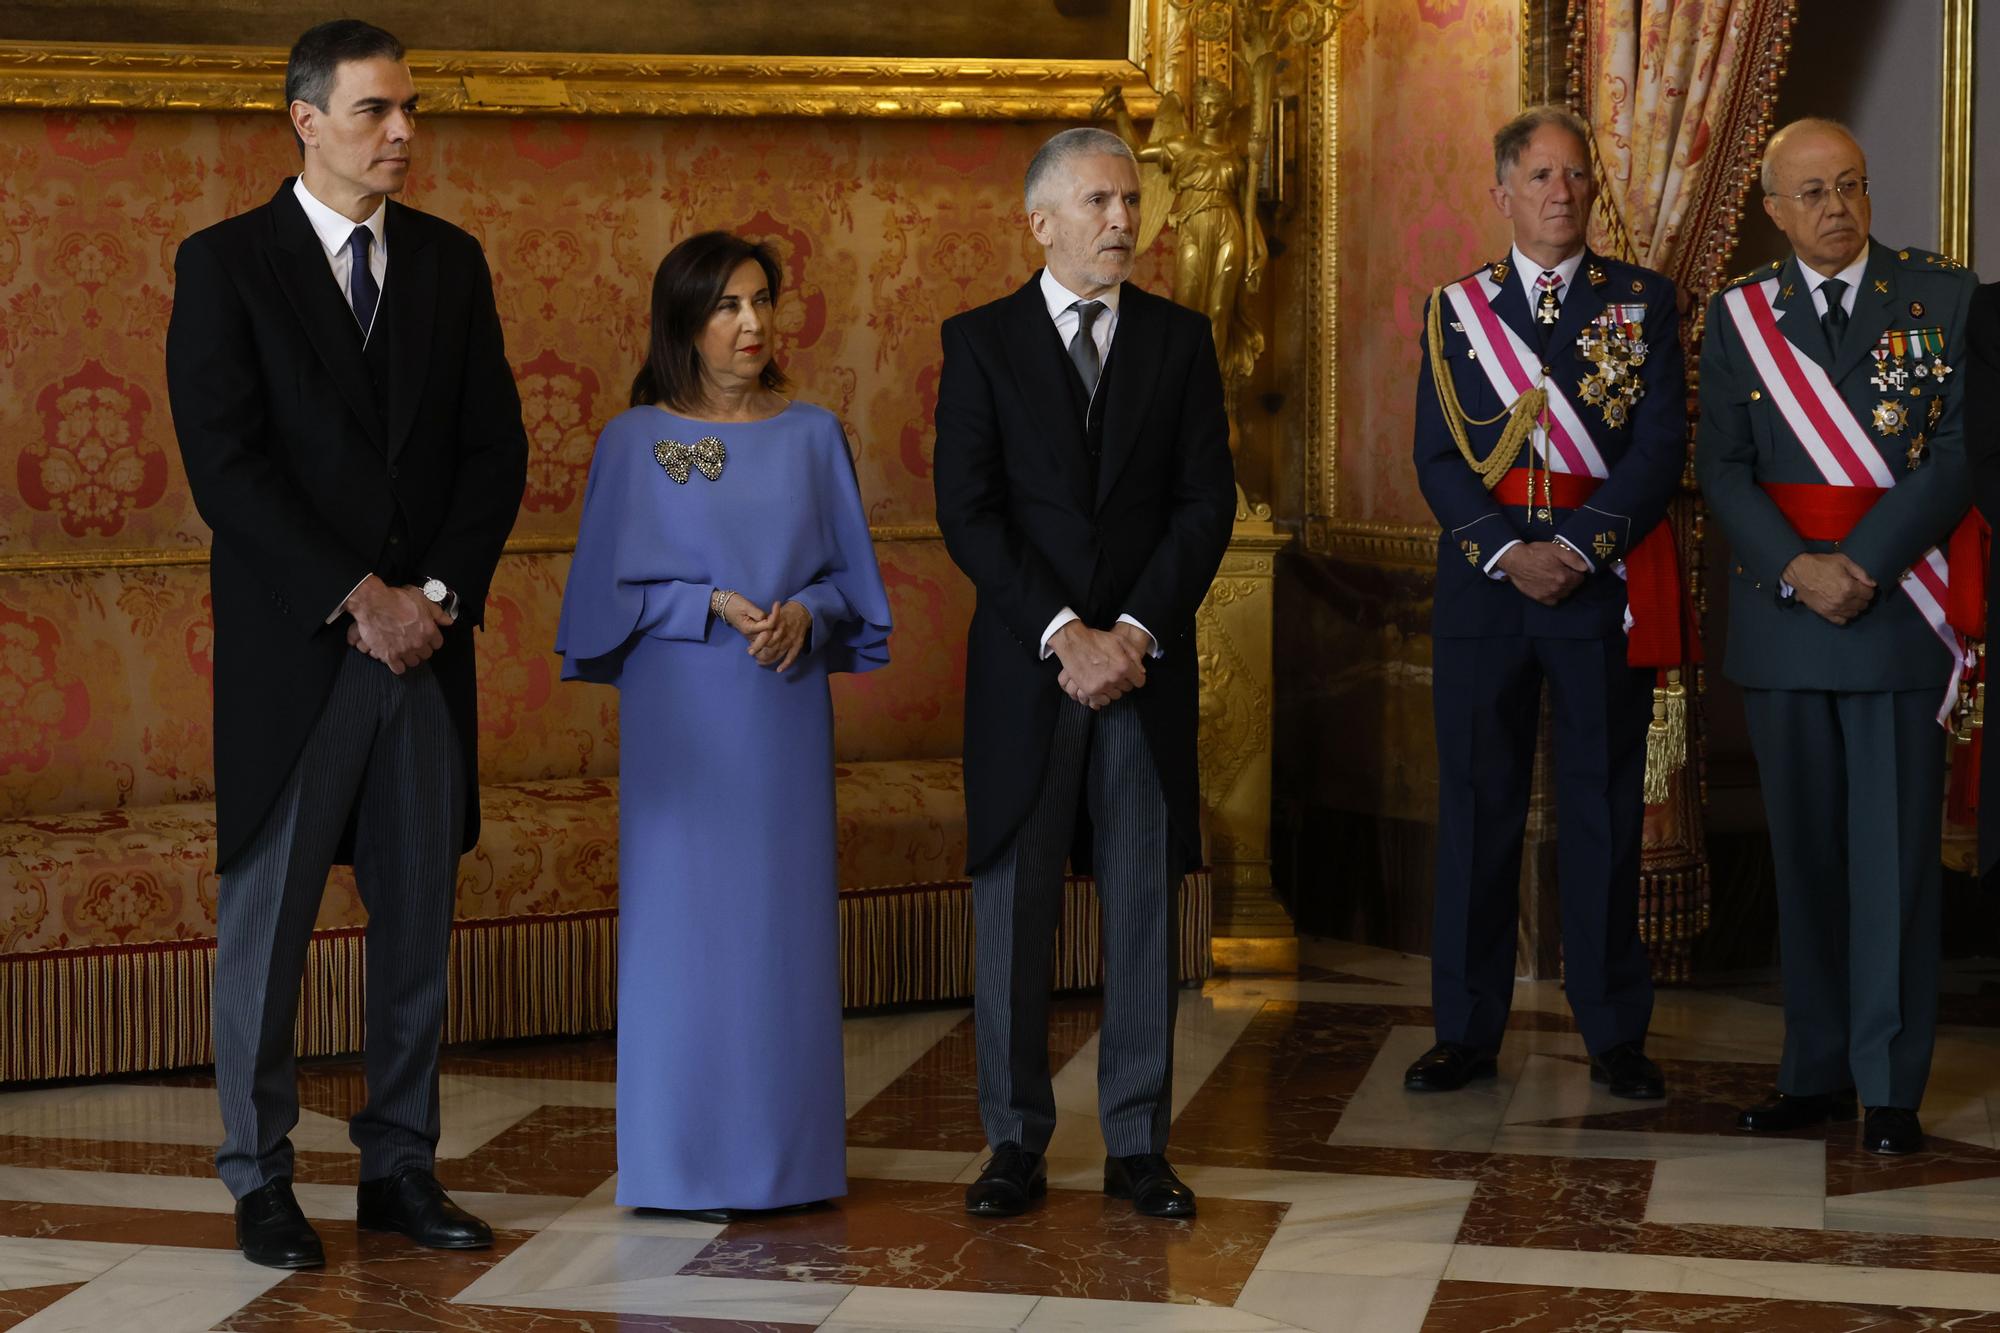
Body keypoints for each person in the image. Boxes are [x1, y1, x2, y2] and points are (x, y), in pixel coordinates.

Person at [165, 20, 526, 1269]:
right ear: (305, 120)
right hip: (300, 655)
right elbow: (227, 467)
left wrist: (425, 596)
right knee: (265, 937)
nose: (404, 133)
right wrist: (354, 594)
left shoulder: (450, 263)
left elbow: (495, 456)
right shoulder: (225, 265)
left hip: (424, 651)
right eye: (377, 111)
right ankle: (260, 1178)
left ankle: (398, 1168)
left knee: (417, 919)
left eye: (411, 109)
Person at [555, 231, 890, 1219]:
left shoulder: (813, 434)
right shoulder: (634, 440)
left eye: (761, 302)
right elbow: (599, 600)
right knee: (684, 936)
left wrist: (807, 615)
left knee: (776, 935)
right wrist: (698, 602)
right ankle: (677, 1163)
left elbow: (846, 585)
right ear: (682, 324)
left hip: (780, 708)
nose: (750, 324)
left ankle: (788, 1165)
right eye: (725, 307)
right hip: (681, 716)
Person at [933, 127, 1235, 1221]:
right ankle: (1011, 1141)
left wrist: (1135, 632)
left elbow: (1208, 503)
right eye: (1099, 203)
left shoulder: (1179, 340)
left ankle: (1136, 1144)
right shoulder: (977, 344)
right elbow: (967, 514)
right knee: (1012, 909)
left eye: (1129, 201)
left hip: (1142, 674)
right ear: (1041, 223)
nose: (1122, 221)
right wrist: (1065, 633)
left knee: (1143, 906)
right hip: (1029, 673)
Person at [1697, 118, 1977, 1156]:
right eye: (1810, 192)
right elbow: (1719, 465)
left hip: (1893, 612)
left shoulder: (1939, 299)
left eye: (1849, 186)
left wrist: (1858, 564)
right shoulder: (1738, 318)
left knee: (1892, 863)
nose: (1834, 208)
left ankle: (1889, 1082)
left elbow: (1952, 455)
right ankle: (1811, 1069)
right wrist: (1797, 569)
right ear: (1772, 209)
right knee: (1802, 859)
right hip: (1784, 619)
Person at [1406, 106, 1686, 1102]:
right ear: (1502, 190)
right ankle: (1465, 1029)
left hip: (1591, 582)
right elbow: (1436, 459)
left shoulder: (1639, 302)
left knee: (1599, 807)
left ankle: (1612, 1030)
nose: (1559, 192)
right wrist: (1502, 553)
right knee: (1475, 806)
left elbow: (1657, 450)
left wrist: (1572, 548)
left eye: (1573, 177)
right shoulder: (1455, 309)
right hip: (1486, 592)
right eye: (1538, 176)